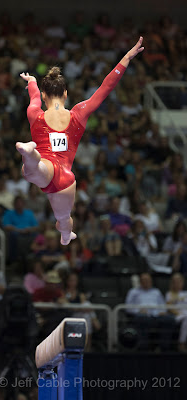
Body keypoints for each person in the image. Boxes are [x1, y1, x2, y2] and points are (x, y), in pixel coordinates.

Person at [16, 37, 144, 245]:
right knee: (64, 219)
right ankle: (66, 235)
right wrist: (126, 58)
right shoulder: (78, 115)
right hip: (65, 178)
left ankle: (30, 153)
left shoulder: (35, 114)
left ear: (44, 93)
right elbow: (105, 88)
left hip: (46, 166)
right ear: (66, 94)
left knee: (33, 171)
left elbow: (34, 99)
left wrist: (31, 82)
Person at [125, 273, 175, 351]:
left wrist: (162, 311)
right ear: (140, 282)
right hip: (143, 315)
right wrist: (138, 310)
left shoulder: (156, 292)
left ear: (151, 281)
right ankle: (143, 348)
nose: (146, 282)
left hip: (157, 315)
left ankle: (164, 347)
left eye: (148, 280)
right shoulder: (133, 292)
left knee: (170, 319)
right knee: (142, 319)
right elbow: (127, 307)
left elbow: (163, 305)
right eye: (144, 280)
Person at [166, 273, 187, 352]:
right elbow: (168, 307)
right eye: (175, 281)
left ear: (183, 282)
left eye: (179, 281)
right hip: (178, 315)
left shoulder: (186, 293)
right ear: (172, 283)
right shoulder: (169, 294)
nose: (177, 283)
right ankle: (181, 343)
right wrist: (177, 313)